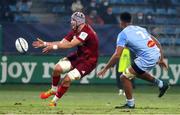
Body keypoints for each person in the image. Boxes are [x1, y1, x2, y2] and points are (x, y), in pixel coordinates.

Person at [98, 12, 169, 109]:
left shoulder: (123, 34)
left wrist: (105, 68)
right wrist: (161, 59)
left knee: (124, 77)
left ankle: (130, 104)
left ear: (121, 22)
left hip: (147, 58)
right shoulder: (140, 28)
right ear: (130, 21)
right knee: (136, 72)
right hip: (156, 53)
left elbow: (117, 55)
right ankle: (161, 84)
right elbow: (158, 43)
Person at [32, 11, 99, 107]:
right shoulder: (75, 30)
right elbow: (63, 42)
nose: (71, 22)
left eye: (73, 20)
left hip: (88, 61)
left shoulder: (85, 32)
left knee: (67, 79)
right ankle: (53, 90)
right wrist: (46, 44)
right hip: (78, 56)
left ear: (79, 22)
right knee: (57, 69)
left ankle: (53, 102)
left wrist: (53, 47)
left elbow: (70, 45)